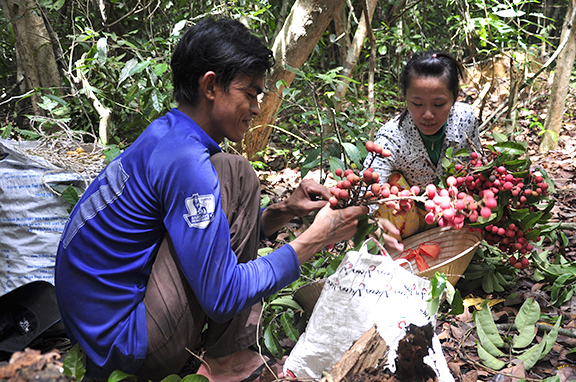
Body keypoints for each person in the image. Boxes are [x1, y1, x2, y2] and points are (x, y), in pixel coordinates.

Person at [54, 17, 366, 382]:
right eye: (249, 94)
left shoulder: (168, 134)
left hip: (98, 334)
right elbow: (223, 295)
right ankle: (227, 359)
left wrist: (283, 212)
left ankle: (225, 353)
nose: (255, 107)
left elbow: (210, 227)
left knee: (235, 176)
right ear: (211, 86)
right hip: (127, 345)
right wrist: (314, 239)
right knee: (237, 173)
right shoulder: (188, 164)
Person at [364, 51, 481, 250]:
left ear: (454, 98)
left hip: (454, 213)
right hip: (410, 220)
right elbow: (366, 189)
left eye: (439, 104)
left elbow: (477, 165)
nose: (427, 114)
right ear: (406, 98)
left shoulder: (466, 119)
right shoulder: (392, 137)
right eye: (417, 104)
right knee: (388, 186)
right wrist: (371, 225)